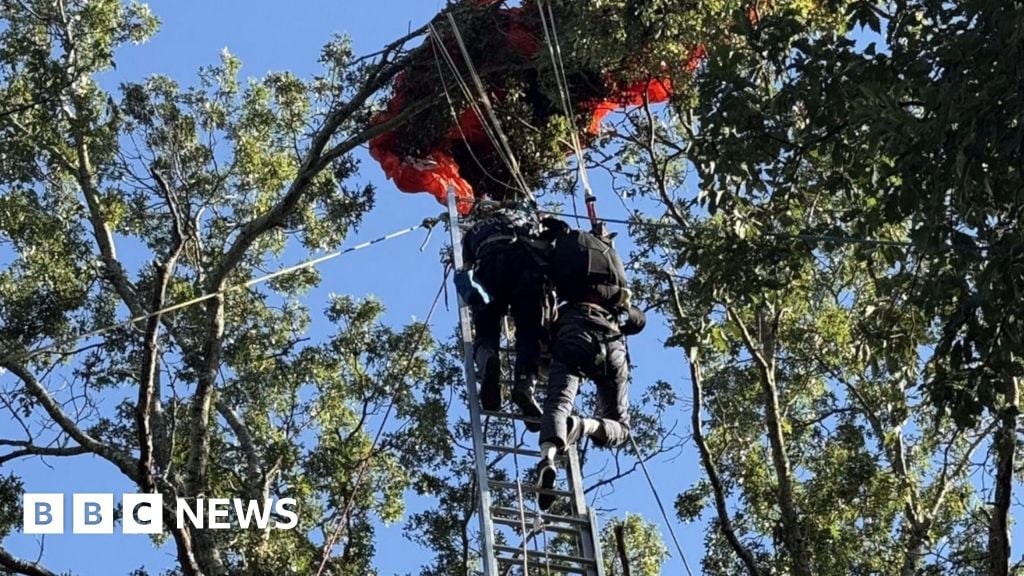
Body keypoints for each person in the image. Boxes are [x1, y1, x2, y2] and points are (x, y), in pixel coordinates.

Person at [534, 218, 646, 509]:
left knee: (559, 400)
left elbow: (542, 298)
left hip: (576, 332)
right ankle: (584, 426)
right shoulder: (612, 271)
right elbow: (636, 319)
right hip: (613, 345)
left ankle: (548, 456)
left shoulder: (564, 262)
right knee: (621, 428)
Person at [457, 200, 548, 430]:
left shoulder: (473, 232)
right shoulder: (524, 220)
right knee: (529, 333)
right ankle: (524, 385)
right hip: (525, 267)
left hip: (489, 264)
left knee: (486, 330)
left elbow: (466, 268)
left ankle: (488, 360)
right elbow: (546, 245)